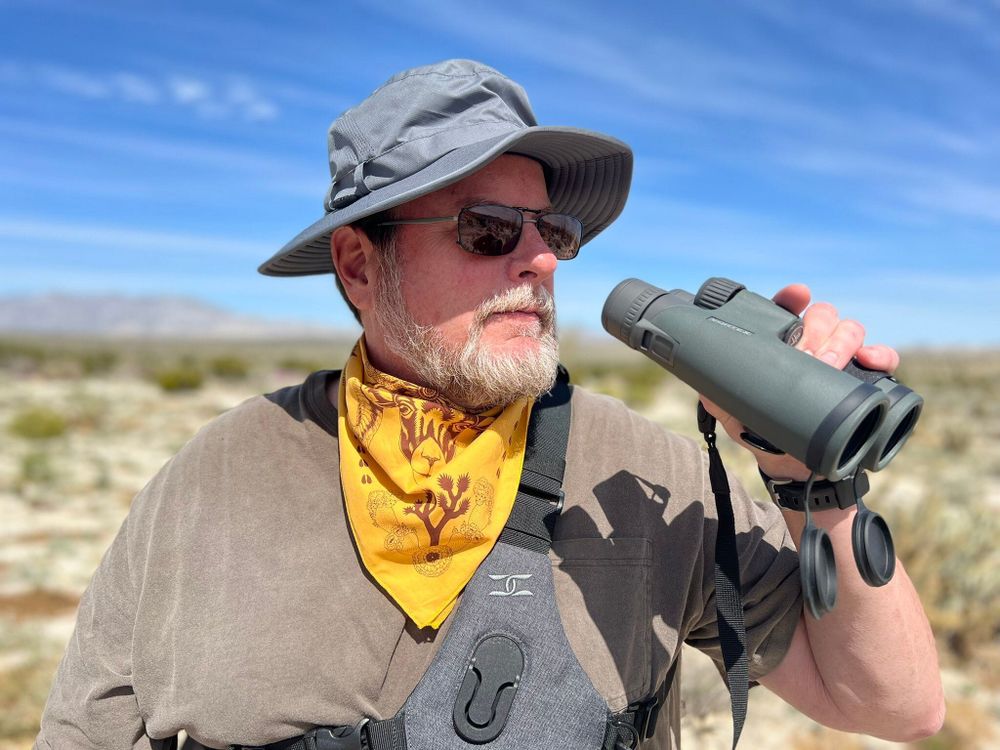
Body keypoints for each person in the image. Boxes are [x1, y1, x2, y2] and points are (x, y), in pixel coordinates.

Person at [35, 59, 943, 750]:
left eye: (553, 233)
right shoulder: (216, 475)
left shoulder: (650, 473)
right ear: (360, 265)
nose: (540, 261)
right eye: (488, 231)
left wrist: (816, 488)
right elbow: (88, 727)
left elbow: (897, 706)